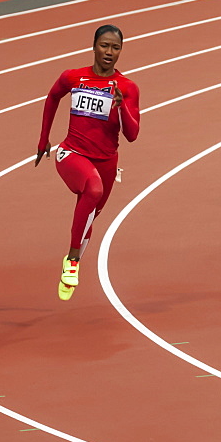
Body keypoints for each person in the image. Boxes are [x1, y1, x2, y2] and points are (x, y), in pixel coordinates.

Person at [35, 25, 141, 301]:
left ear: (121, 51)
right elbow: (52, 97)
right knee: (92, 191)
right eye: (104, 45)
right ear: (94, 46)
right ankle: (72, 260)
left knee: (90, 215)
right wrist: (43, 139)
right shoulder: (73, 77)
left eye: (115, 47)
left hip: (107, 161)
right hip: (71, 153)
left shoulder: (127, 88)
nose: (109, 52)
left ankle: (73, 262)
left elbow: (132, 135)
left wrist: (123, 107)